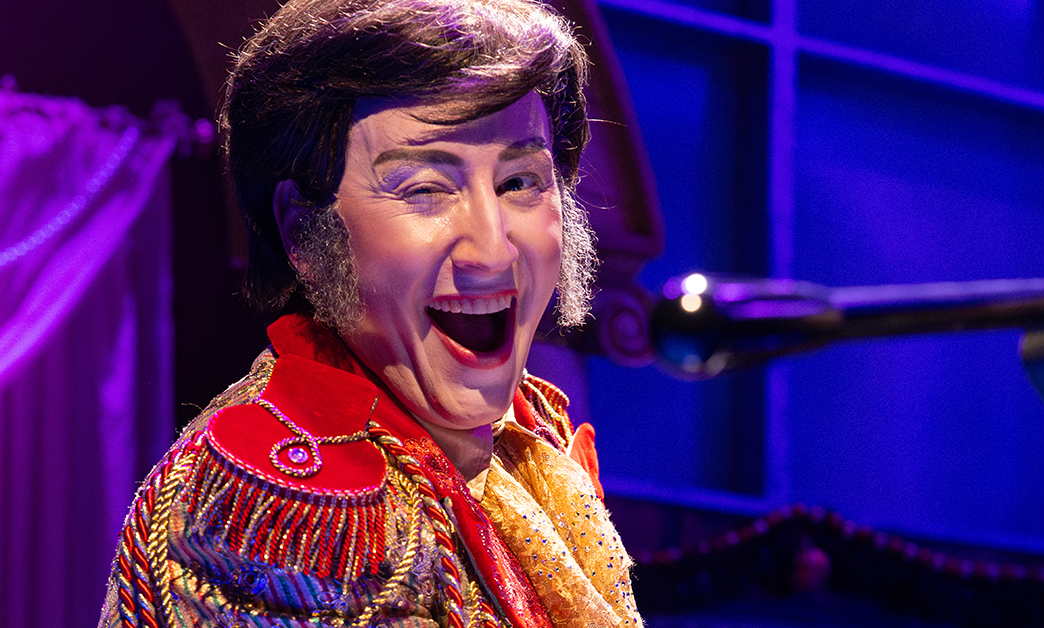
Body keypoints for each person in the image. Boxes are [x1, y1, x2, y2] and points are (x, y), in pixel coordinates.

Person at [98, 0, 642, 626]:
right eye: (426, 189)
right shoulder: (264, 502)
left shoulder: (528, 441)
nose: (493, 249)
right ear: (304, 231)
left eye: (520, 183)